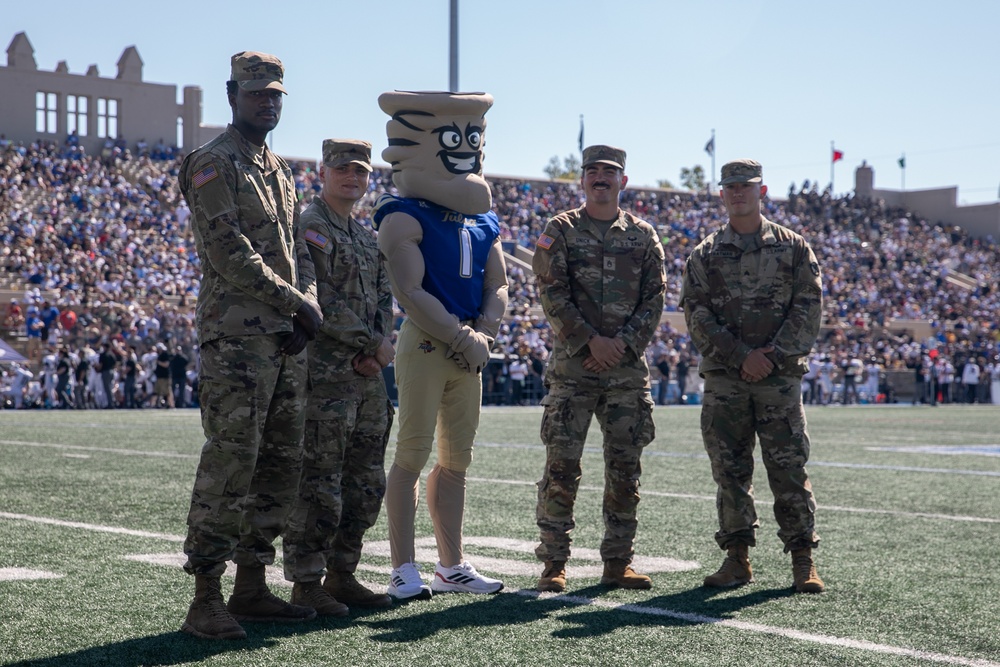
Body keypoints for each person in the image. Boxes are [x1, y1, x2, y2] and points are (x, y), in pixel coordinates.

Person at [178, 51, 322, 640]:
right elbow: (228, 252)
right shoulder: (213, 163)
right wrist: (298, 301)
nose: (268, 101)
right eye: (257, 92)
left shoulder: (278, 166)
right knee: (232, 461)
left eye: (276, 94)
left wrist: (306, 297)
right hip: (237, 337)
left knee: (281, 465)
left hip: (283, 339)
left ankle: (252, 586)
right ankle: (205, 596)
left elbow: (300, 245)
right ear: (233, 93)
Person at [373, 90, 508, 599]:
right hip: (430, 345)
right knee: (410, 454)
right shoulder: (402, 210)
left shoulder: (483, 217)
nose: (467, 147)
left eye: (473, 136)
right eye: (456, 136)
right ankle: (403, 567)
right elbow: (410, 292)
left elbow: (498, 284)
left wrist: (484, 334)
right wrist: (461, 335)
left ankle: (451, 567)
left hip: (467, 349)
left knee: (457, 461)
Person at [680, 158, 825, 594]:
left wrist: (773, 355)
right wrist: (743, 355)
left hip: (778, 379)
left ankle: (803, 559)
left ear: (762, 191)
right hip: (727, 379)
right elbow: (697, 314)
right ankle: (737, 559)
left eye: (746, 185)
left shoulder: (794, 247)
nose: (738, 192)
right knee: (729, 471)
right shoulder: (705, 253)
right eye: (730, 187)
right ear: (722, 194)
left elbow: (809, 307)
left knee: (788, 468)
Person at [531, 145, 666, 593]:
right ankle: (553, 563)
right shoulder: (562, 230)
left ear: (623, 181)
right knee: (561, 468)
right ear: (582, 179)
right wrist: (591, 341)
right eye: (593, 171)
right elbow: (551, 292)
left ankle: (618, 562)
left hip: (625, 373)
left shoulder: (644, 236)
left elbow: (654, 300)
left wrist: (620, 345)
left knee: (625, 470)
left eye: (610, 172)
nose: (601, 178)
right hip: (574, 369)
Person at [282, 139, 395, 614]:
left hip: (367, 381)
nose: (353, 178)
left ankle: (342, 574)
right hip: (326, 377)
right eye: (343, 169)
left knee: (366, 483)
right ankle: (307, 582)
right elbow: (318, 297)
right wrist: (371, 346)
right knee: (320, 484)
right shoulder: (311, 226)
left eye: (361, 172)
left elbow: (384, 298)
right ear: (322, 172)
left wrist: (381, 344)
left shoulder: (366, 236)